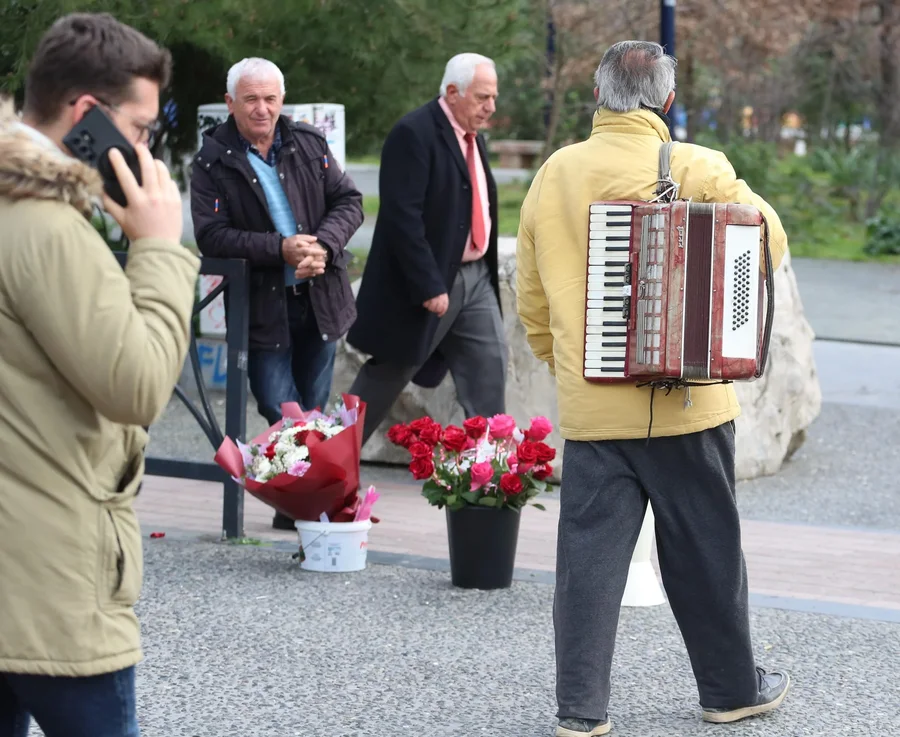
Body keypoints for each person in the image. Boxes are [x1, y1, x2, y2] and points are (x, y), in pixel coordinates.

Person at [515, 41, 791, 737]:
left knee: (587, 561)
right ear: (666, 101)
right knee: (708, 551)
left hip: (592, 405)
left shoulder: (556, 173)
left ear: (601, 98)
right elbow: (770, 245)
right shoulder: (699, 165)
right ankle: (730, 690)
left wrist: (569, 369)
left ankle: (581, 709)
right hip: (689, 404)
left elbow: (531, 299)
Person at [0, 13, 200, 737]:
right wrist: (157, 245)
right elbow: (138, 383)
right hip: (53, 584)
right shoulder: (45, 226)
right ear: (88, 116)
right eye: (142, 129)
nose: (146, 148)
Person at [191, 57, 363, 530]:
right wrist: (280, 249)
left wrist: (323, 246)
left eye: (270, 98)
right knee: (279, 406)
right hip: (262, 303)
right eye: (251, 99)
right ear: (230, 103)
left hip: (320, 295)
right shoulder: (210, 160)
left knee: (314, 407)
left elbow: (349, 201)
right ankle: (304, 503)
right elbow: (212, 236)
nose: (262, 109)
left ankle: (302, 512)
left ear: (281, 100)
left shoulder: (308, 141)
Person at [347, 53, 507, 445]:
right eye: (482, 97)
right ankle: (326, 469)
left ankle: (488, 488)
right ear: (452, 93)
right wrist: (428, 285)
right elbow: (402, 218)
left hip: (476, 279)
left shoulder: (472, 136)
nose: (491, 107)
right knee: (386, 377)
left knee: (490, 374)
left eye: (494, 98)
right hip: (431, 284)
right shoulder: (413, 133)